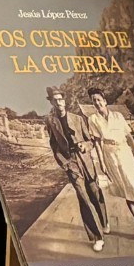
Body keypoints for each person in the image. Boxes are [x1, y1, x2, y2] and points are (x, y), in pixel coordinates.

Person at [44, 87, 108, 252]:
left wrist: (85, 146)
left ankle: (104, 221)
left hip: (85, 160)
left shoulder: (78, 119)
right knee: (83, 197)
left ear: (64, 101)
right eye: (55, 100)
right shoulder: (51, 122)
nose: (59, 103)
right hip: (71, 163)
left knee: (95, 192)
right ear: (51, 102)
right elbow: (54, 146)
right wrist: (65, 165)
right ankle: (97, 236)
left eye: (60, 99)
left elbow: (90, 140)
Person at [85, 90, 134, 241]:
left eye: (98, 99)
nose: (96, 102)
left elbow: (130, 139)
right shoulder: (93, 119)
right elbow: (97, 143)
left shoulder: (118, 116)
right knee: (126, 192)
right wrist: (102, 164)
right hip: (110, 156)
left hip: (125, 153)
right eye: (93, 100)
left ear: (105, 100)